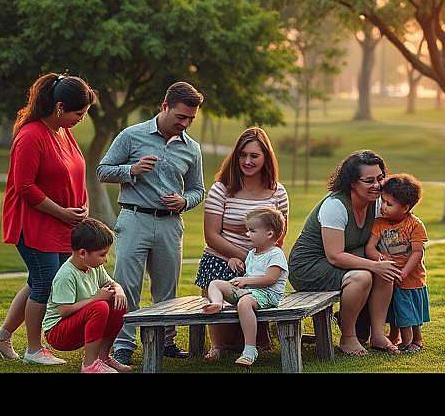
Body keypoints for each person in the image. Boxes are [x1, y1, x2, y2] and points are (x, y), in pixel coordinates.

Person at [97, 81, 206, 366]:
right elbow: (102, 171)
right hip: (134, 218)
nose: (185, 124)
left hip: (170, 224)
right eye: (181, 117)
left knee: (166, 288)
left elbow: (198, 189)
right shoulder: (131, 136)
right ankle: (123, 344)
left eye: (191, 119)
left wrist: (184, 201)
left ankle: (165, 341)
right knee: (127, 286)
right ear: (164, 106)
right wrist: (131, 170)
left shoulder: (192, 148)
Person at [0, 73, 97, 366]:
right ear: (59, 107)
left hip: (61, 224)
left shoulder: (63, 132)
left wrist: (82, 206)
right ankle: (34, 350)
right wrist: (63, 212)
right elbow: (25, 187)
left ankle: (3, 336)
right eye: (79, 113)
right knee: (45, 282)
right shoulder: (31, 135)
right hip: (33, 223)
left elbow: (76, 172)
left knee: (39, 281)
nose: (82, 119)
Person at [288, 150, 402, 356]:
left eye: (380, 178)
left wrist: (383, 262)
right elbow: (335, 255)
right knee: (362, 277)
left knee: (385, 270)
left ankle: (378, 335)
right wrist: (374, 265)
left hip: (343, 259)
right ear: (351, 182)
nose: (377, 185)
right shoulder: (335, 206)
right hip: (309, 267)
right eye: (368, 181)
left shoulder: (377, 202)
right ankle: (348, 337)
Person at [195, 127, 288, 360]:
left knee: (253, 328)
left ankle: (254, 341)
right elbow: (211, 235)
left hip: (260, 262)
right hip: (223, 257)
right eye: (242, 155)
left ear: (266, 157)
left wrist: (259, 261)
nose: (247, 161)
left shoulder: (277, 192)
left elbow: (279, 235)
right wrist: (244, 257)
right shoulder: (221, 188)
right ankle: (218, 344)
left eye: (254, 156)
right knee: (227, 338)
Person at [202, 206, 288, 367]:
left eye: (252, 231)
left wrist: (246, 281)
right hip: (250, 291)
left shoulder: (276, 254)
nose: (248, 234)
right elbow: (250, 273)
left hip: (267, 294)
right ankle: (218, 303)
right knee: (215, 283)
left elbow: (271, 279)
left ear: (269, 233)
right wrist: (236, 262)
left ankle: (250, 349)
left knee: (244, 302)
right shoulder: (252, 253)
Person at [42, 218, 130, 373]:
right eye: (102, 254)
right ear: (83, 253)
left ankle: (103, 357)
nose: (106, 259)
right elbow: (64, 310)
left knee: (118, 302)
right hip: (58, 334)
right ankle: (90, 365)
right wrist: (95, 299)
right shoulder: (66, 275)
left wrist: (119, 289)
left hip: (78, 325)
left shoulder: (93, 266)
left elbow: (111, 283)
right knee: (100, 306)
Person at [366, 174, 430, 353]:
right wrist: (380, 258)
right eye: (383, 201)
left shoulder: (415, 225)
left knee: (410, 312)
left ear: (405, 208)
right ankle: (395, 337)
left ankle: (414, 340)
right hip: (390, 276)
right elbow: (370, 248)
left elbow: (417, 252)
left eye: (389, 204)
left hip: (411, 278)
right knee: (395, 309)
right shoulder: (379, 224)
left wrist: (405, 272)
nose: (383, 207)